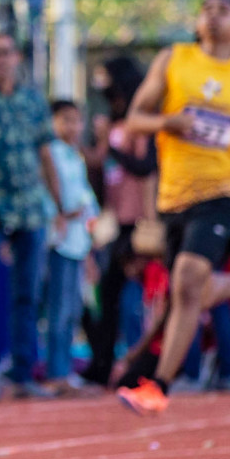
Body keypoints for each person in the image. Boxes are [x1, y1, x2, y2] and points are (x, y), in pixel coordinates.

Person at [117, 0, 230, 415]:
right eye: (205, 10)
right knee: (185, 291)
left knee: (188, 281)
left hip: (224, 191)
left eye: (223, 10)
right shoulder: (173, 60)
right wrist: (168, 121)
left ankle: (158, 386)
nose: (212, 17)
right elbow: (135, 120)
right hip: (174, 194)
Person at [0, 32, 63, 398]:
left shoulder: (34, 101)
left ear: (17, 57)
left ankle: (23, 375)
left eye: (4, 53)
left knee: (28, 294)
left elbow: (45, 153)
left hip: (32, 207)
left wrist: (58, 203)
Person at [80, 55, 155, 387]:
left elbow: (144, 166)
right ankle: (108, 365)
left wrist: (111, 148)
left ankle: (137, 366)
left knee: (134, 299)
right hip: (114, 220)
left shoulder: (141, 123)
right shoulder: (109, 124)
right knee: (108, 297)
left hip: (138, 220)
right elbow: (101, 171)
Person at [43, 100, 98, 390]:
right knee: (59, 310)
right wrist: (63, 213)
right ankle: (56, 372)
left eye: (77, 121)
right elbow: (50, 195)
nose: (73, 127)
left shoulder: (76, 155)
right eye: (66, 120)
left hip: (78, 242)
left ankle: (63, 371)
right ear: (53, 122)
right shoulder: (50, 153)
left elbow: (87, 201)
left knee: (73, 310)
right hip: (60, 241)